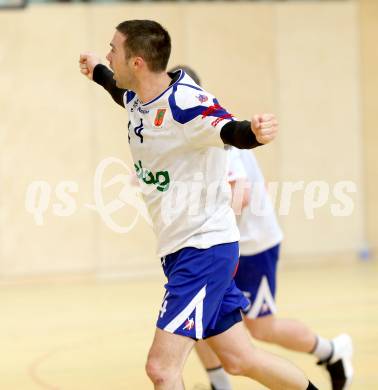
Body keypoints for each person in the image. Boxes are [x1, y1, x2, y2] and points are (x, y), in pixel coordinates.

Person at [79, 19, 319, 389]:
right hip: (182, 251)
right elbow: (115, 87)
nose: (110, 54)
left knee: (162, 368)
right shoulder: (138, 97)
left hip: (203, 250)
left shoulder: (187, 104)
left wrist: (252, 133)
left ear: (137, 62)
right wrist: (96, 68)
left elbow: (229, 130)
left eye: (114, 49)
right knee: (241, 360)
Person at [169, 65, 353, 390]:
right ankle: (218, 384)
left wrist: (194, 210)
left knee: (261, 329)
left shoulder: (212, 128)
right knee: (194, 315)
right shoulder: (181, 134)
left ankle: (332, 351)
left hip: (251, 245)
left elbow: (241, 196)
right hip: (217, 247)